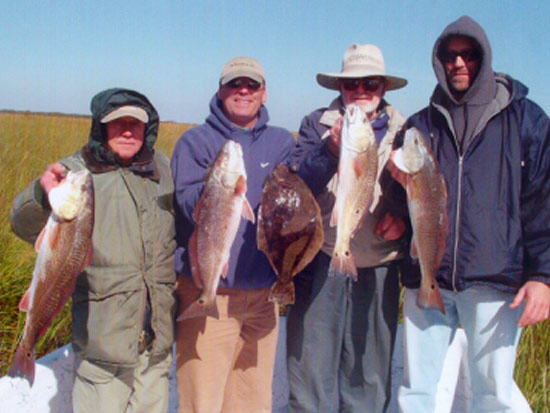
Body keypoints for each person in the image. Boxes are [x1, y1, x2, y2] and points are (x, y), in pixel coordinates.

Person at [393, 16, 550, 413]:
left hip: (495, 281)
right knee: (416, 393)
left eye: (468, 54)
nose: (459, 63)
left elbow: (543, 202)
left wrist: (543, 277)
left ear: (484, 57)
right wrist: (396, 190)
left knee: (493, 396)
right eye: (450, 55)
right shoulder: (419, 126)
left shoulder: (527, 120)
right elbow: (401, 206)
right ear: (439, 61)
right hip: (428, 279)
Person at [10, 88, 176, 413]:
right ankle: (23, 353)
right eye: (117, 123)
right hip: (104, 343)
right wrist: (43, 194)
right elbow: (20, 222)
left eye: (136, 123)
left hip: (156, 338)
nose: (128, 131)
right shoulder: (74, 172)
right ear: (100, 126)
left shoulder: (161, 168)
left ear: (148, 128)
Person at [286, 43, 409, 412]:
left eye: (370, 82)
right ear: (339, 87)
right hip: (323, 256)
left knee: (368, 371)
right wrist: (328, 151)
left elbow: (418, 191)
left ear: (383, 87)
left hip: (380, 263)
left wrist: (400, 216)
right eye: (351, 83)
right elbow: (295, 185)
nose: (360, 90)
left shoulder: (407, 130)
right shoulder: (315, 124)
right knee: (308, 366)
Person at [171, 56, 295, 413]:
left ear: (264, 92)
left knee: (252, 400)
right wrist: (220, 186)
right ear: (221, 89)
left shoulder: (281, 142)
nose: (243, 91)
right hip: (210, 290)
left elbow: (296, 194)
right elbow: (185, 201)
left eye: (252, 84)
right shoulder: (195, 141)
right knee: (202, 400)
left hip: (263, 297)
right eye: (235, 84)